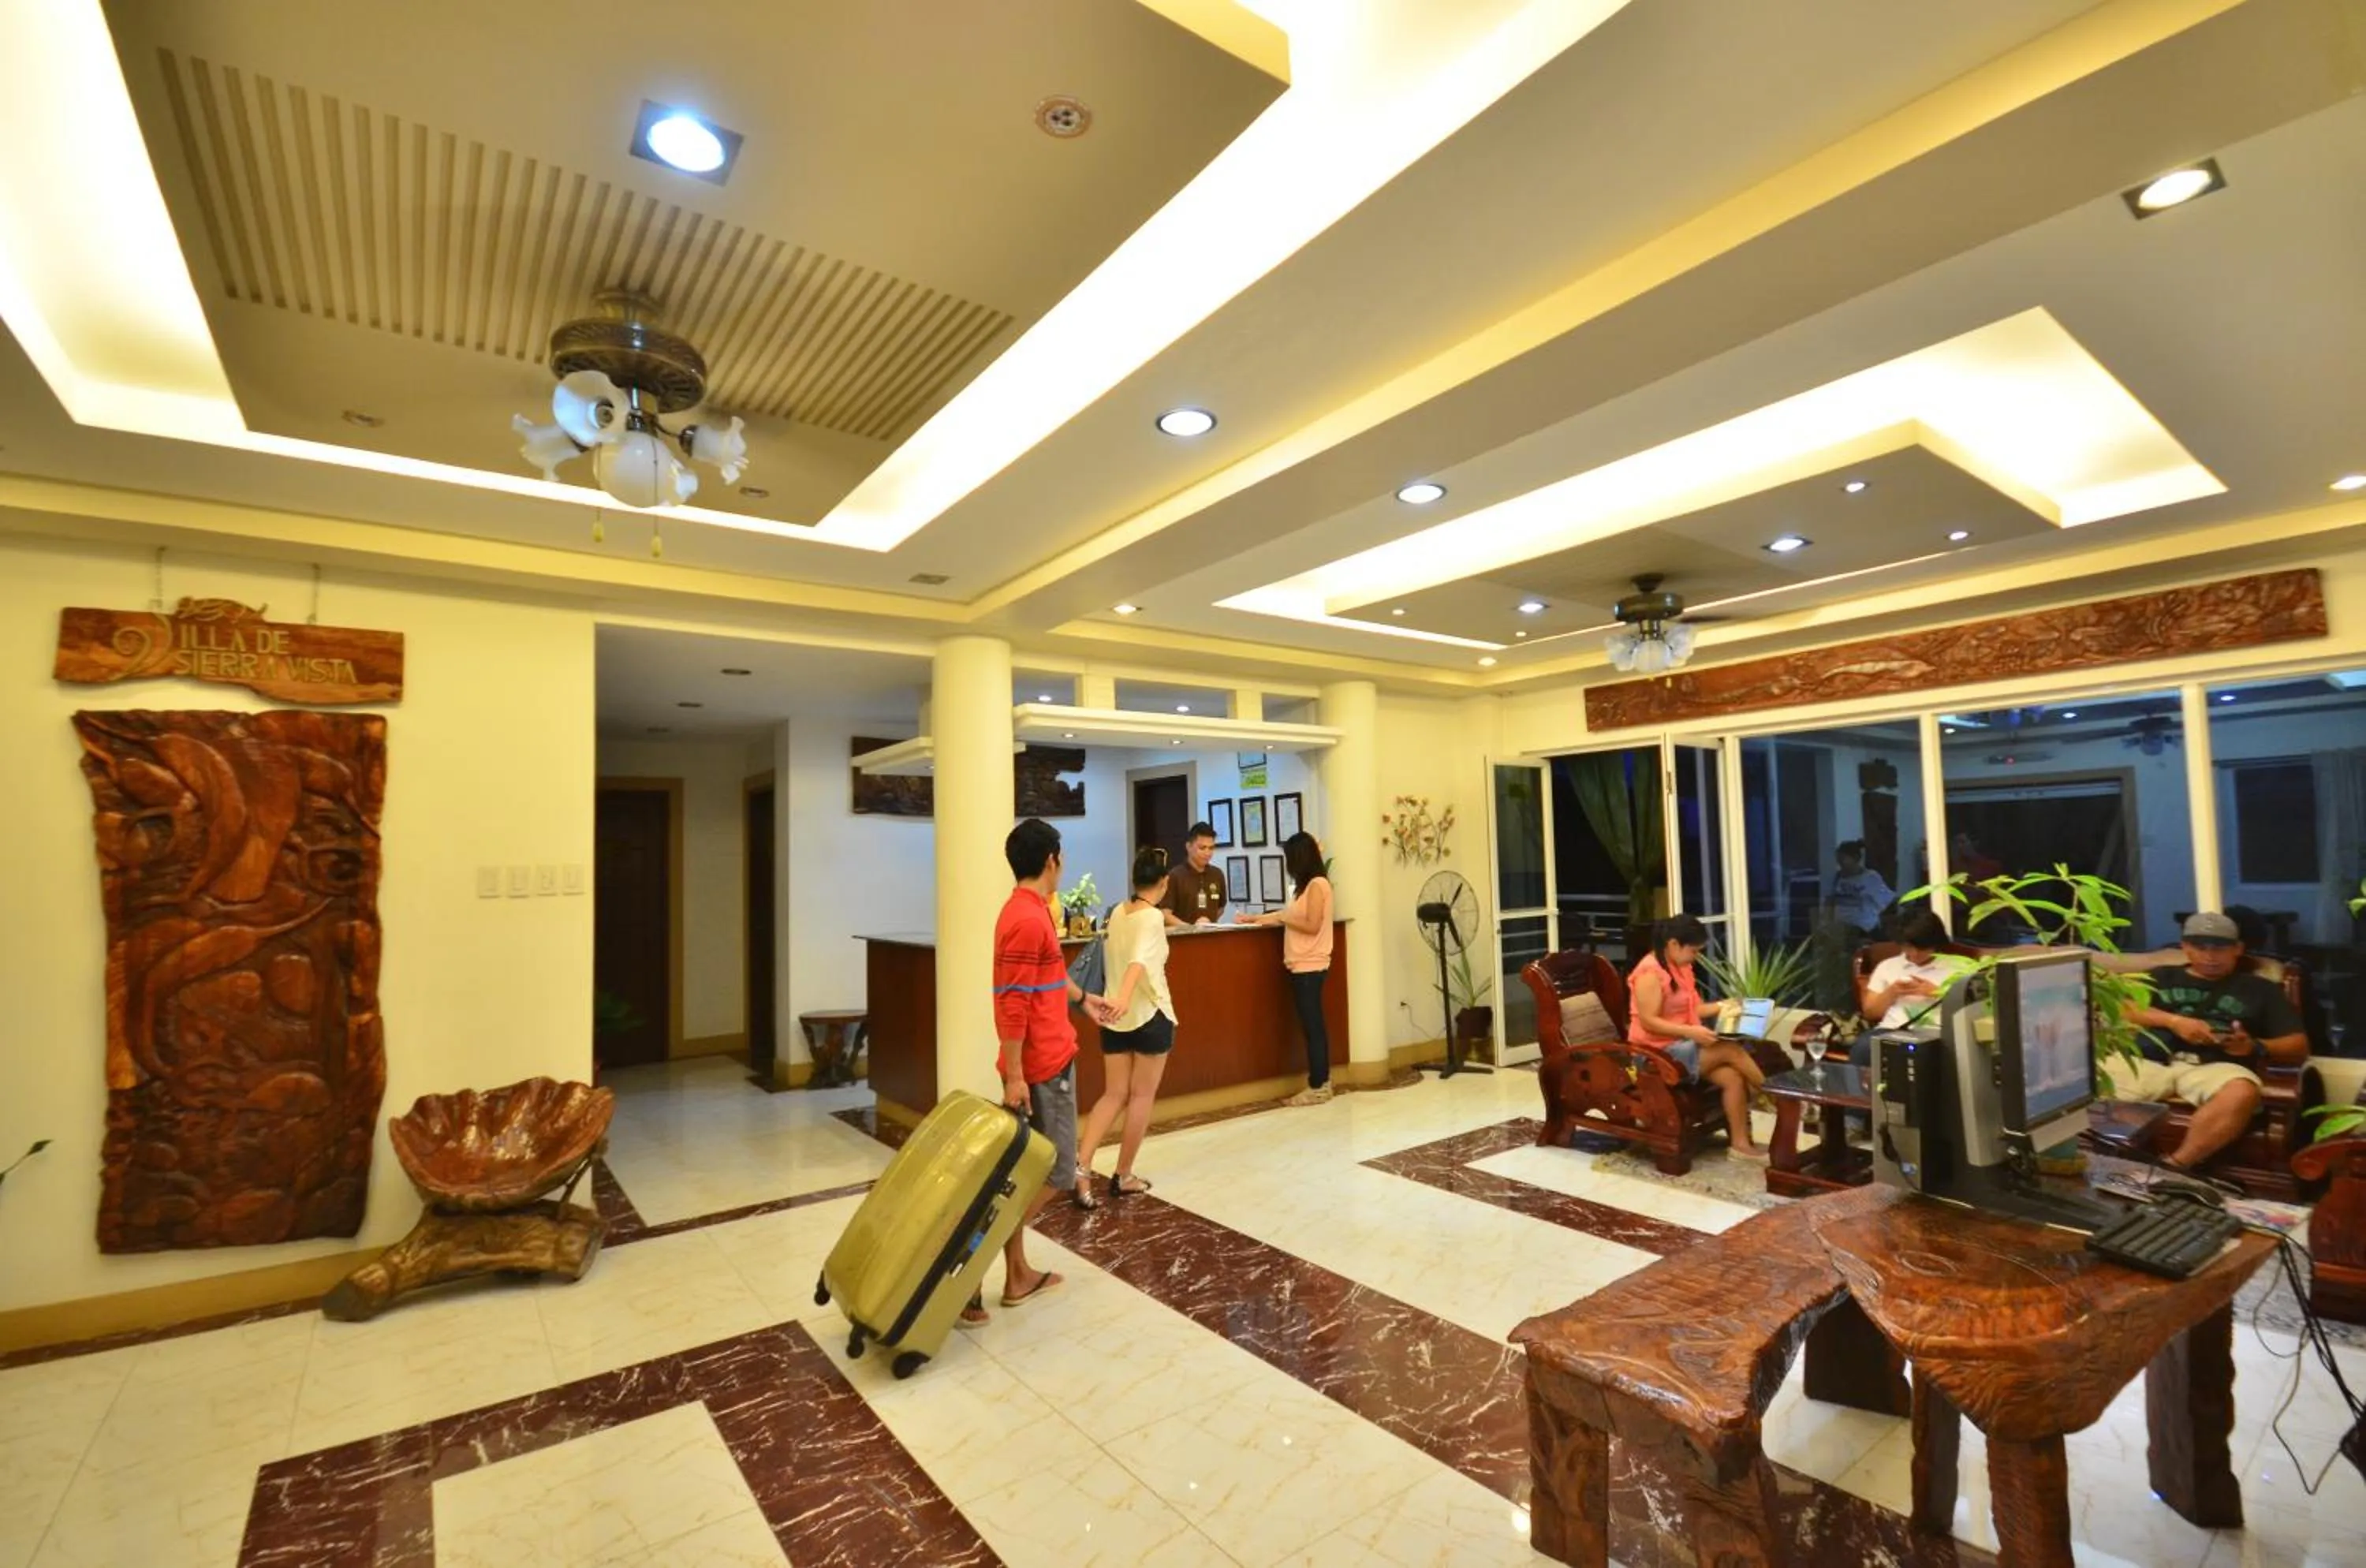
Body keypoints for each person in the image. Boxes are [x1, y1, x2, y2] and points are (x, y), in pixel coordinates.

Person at [976, 817, 1103, 1323]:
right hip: (1041, 1066)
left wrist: (1086, 1000)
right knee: (1058, 1168)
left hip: (1044, 1059)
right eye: (1062, 855)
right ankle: (971, 1266)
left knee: (1030, 1173)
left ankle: (1018, 1274)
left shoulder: (1030, 912)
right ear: (1052, 859)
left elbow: (1049, 977)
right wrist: (1013, 1074)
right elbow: (1012, 1001)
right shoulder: (1027, 919)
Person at [2112, 910, 2308, 1172]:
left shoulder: (2260, 989)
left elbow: (2298, 1045)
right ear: (2185, 948)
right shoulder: (2160, 977)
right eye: (2200, 947)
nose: (2210, 956)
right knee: (2088, 1080)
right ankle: (2112, 1164)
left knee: (2243, 1091)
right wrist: (2174, 1022)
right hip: (2150, 1059)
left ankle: (2174, 1168)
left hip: (2215, 1065)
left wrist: (2254, 1046)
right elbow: (2124, 1009)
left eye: (2220, 947)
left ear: (2237, 949)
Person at [1075, 848, 1177, 1207]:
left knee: (1113, 1094)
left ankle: (1082, 1166)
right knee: (1141, 1096)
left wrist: (1116, 1001)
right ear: (1163, 882)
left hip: (1113, 1020)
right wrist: (1124, 997)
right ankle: (1123, 1175)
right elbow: (1139, 962)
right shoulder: (1151, 917)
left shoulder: (1118, 911)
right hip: (1148, 1014)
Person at [1627, 913, 1769, 1159]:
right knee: (1731, 1050)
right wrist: (1691, 1031)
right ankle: (1776, 1096)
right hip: (1653, 1055)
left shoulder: (1681, 967)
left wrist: (1728, 1006)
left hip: (1681, 1045)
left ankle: (1740, 1145)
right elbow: (1649, 1022)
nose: (1697, 957)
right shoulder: (1649, 973)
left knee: (1733, 1076)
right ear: (1673, 945)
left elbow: (1694, 1010)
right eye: (1694, 951)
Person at [1249, 831, 1334, 1105]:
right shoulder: (1304, 887)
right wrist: (1255, 919)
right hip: (1300, 965)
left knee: (1313, 1027)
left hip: (1311, 965)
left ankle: (1319, 1085)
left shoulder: (1318, 885)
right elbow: (1289, 916)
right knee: (1311, 1025)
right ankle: (1321, 1082)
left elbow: (1312, 925)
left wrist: (1285, 917)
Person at [1859, 909, 1970, 1030]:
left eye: (1922, 948)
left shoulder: (1959, 967)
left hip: (1937, 1032)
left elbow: (1975, 1011)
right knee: (1863, 1047)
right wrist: (1892, 992)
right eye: (1908, 947)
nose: (1915, 954)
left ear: (1936, 943)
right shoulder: (1887, 966)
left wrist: (1938, 993)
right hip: (1890, 1030)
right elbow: (1870, 1014)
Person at [1161, 822, 1229, 928]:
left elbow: (1221, 907)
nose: (1207, 853)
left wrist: (1208, 923)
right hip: (1183, 939)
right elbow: (1165, 915)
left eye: (1211, 848)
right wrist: (1191, 928)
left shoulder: (1217, 874)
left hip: (1210, 937)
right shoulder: (1175, 876)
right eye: (1202, 848)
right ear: (1189, 846)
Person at [1827, 841, 1894, 943]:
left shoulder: (1870, 878)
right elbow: (1832, 901)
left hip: (1864, 930)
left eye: (1844, 860)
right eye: (1838, 860)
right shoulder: (1838, 877)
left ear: (1855, 859)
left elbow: (1887, 901)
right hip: (1843, 930)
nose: (1841, 864)